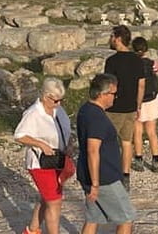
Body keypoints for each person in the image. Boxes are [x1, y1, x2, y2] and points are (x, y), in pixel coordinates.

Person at [76, 74, 136, 234]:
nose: (115, 97)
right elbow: (92, 150)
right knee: (126, 218)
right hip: (103, 178)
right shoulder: (96, 117)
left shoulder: (86, 109)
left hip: (89, 175)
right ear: (102, 94)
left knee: (93, 218)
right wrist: (95, 184)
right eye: (113, 94)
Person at [14, 77, 72, 234]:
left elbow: (66, 129)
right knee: (55, 202)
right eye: (55, 100)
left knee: (48, 197)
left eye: (61, 100)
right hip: (41, 162)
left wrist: (70, 145)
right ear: (46, 96)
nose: (59, 104)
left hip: (59, 159)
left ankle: (32, 230)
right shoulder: (33, 113)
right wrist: (41, 144)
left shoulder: (58, 110)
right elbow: (19, 135)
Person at [104, 25, 145, 191]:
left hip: (114, 107)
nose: (111, 40)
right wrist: (138, 105)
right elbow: (141, 85)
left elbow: (108, 85)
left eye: (112, 36)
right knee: (127, 142)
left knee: (109, 142)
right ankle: (125, 175)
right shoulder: (137, 60)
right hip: (130, 106)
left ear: (118, 38)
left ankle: (110, 173)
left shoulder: (112, 61)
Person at [131, 36, 158, 173]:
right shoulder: (153, 63)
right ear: (146, 49)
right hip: (153, 98)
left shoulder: (131, 65)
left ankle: (139, 159)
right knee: (152, 131)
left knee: (137, 131)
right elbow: (156, 76)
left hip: (138, 100)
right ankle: (155, 160)